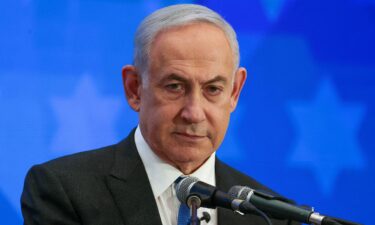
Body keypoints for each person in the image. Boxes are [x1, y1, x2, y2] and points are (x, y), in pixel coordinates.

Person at [21, 4, 297, 225]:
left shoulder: (272, 215)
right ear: (134, 89)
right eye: (174, 86)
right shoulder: (64, 190)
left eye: (213, 89)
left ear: (234, 92)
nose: (194, 113)